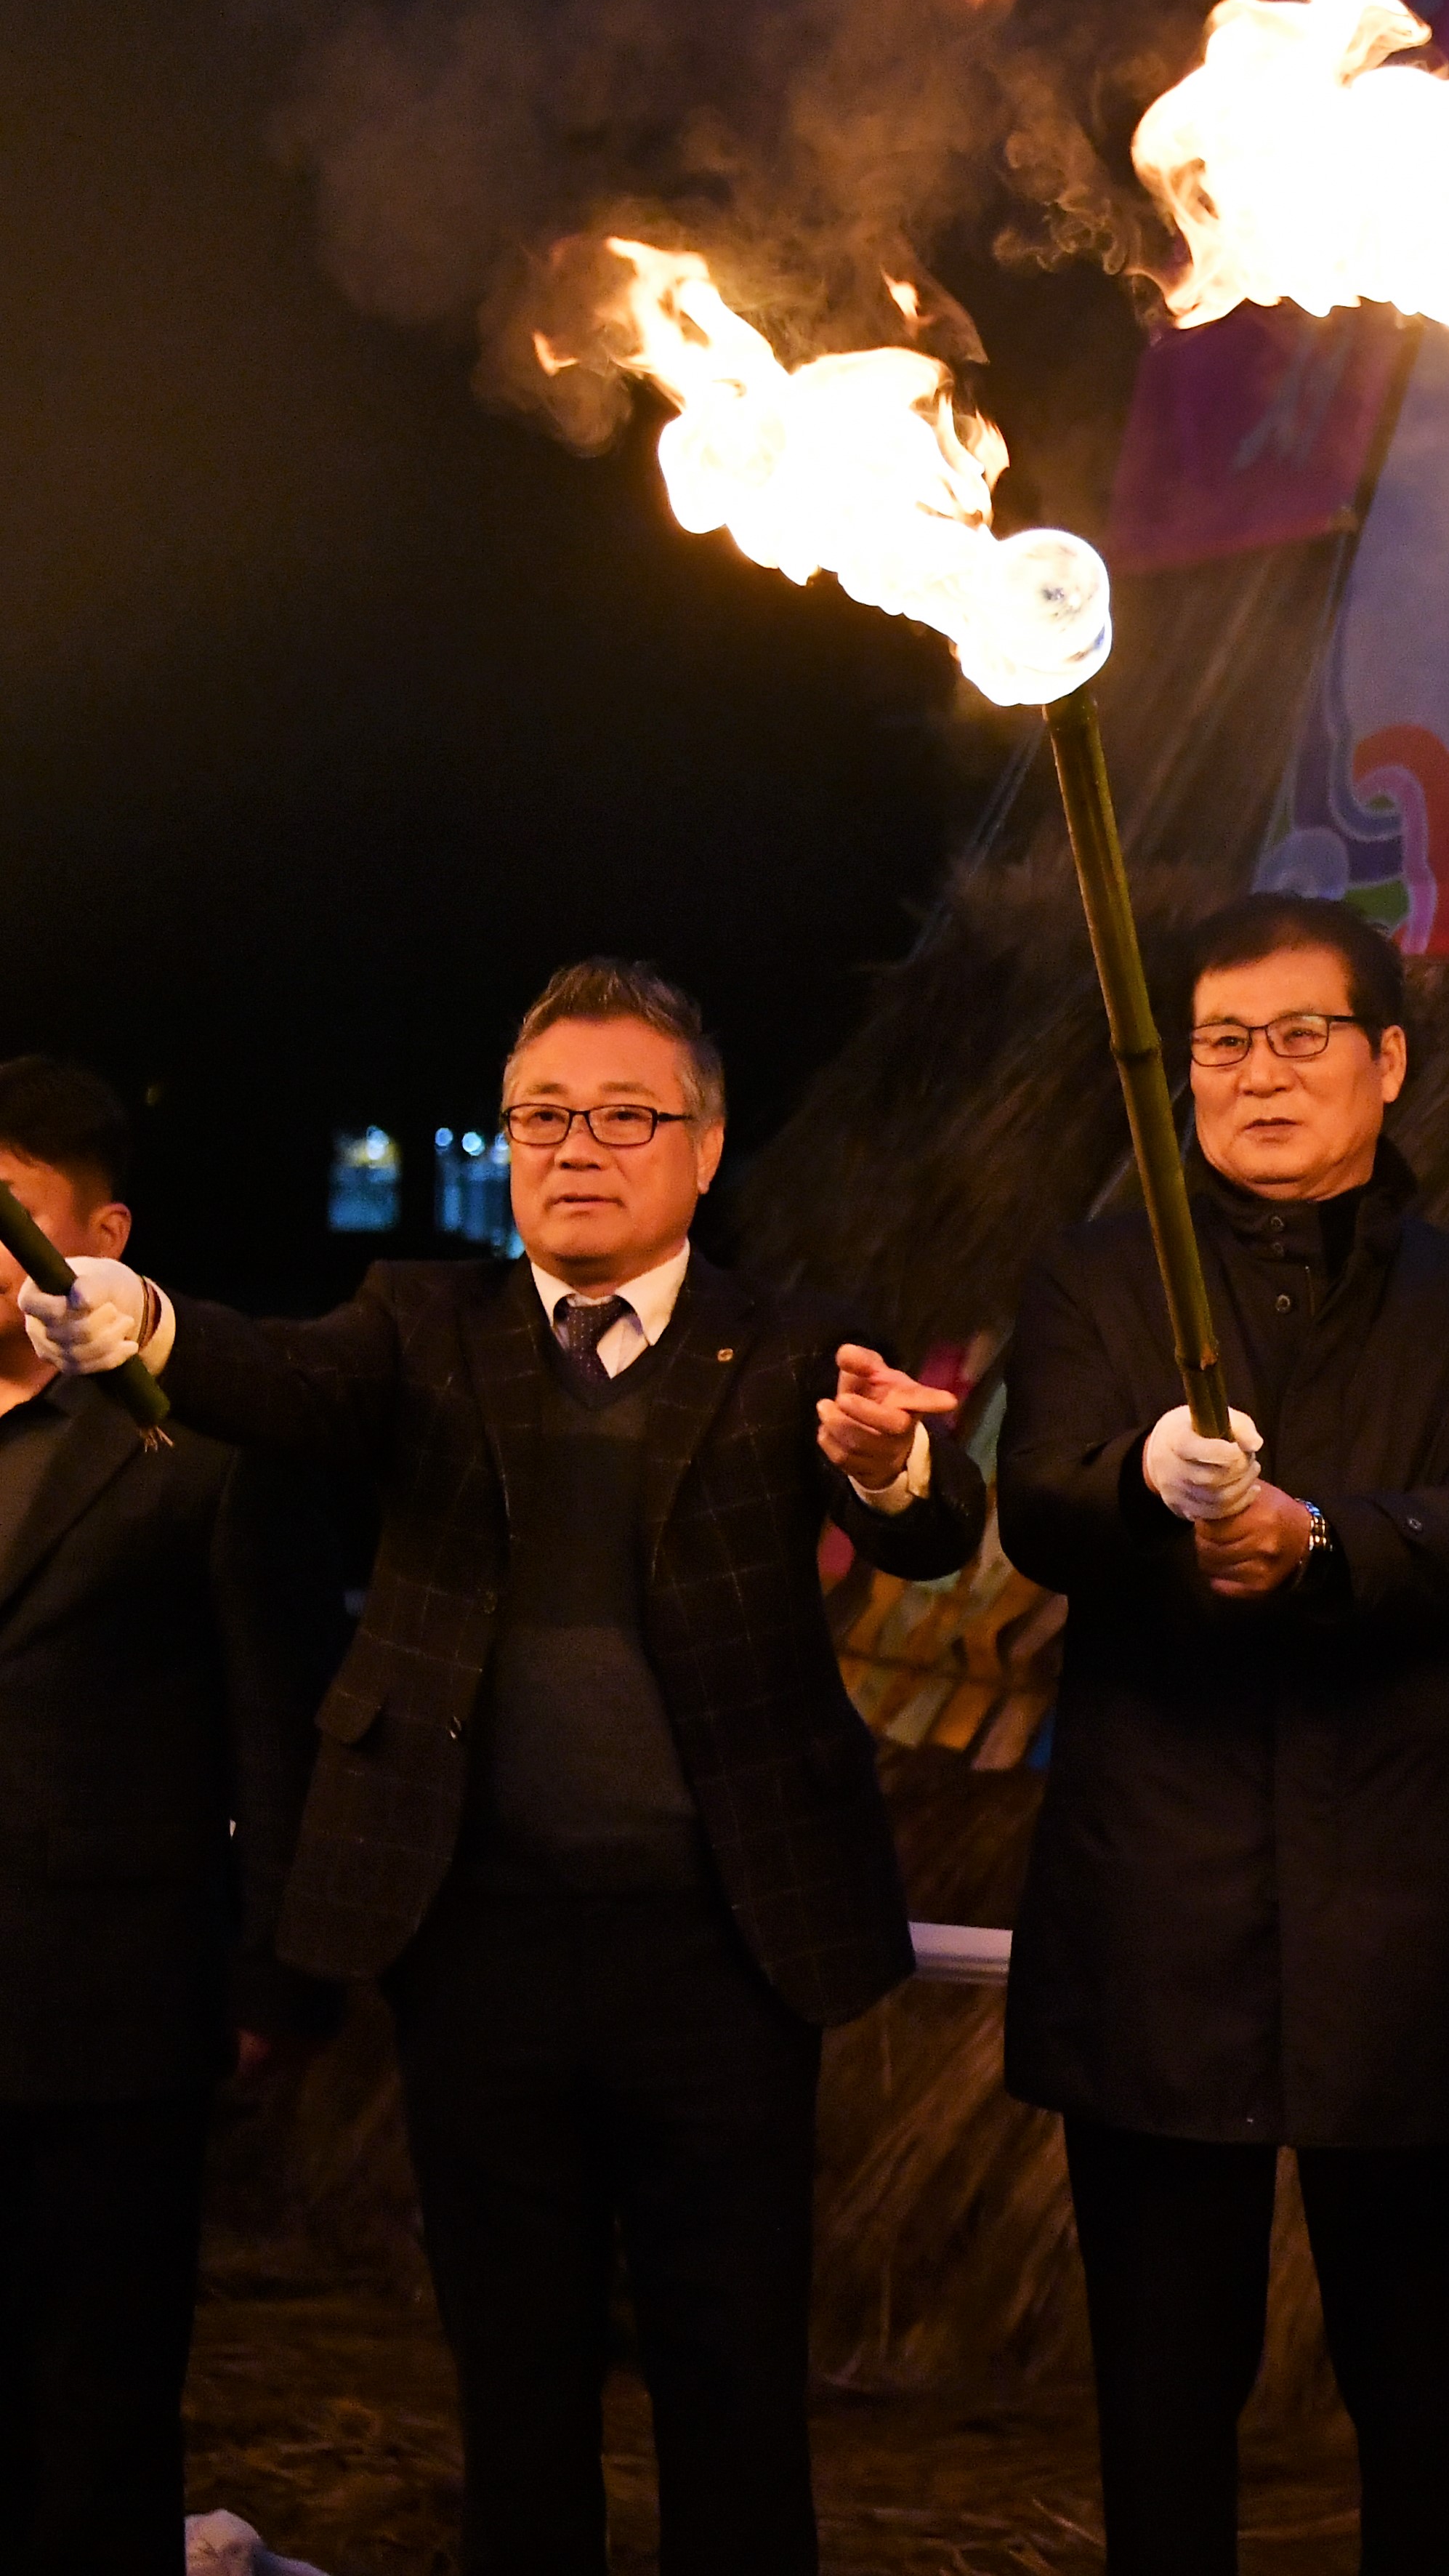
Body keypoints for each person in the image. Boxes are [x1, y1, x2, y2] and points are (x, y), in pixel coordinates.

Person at [17, 962, 985, 2576]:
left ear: (706, 1141)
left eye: (624, 1115)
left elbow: (935, 1523)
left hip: (727, 1951)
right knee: (513, 2386)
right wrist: (161, 1324)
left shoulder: (787, 1334)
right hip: (476, 1946)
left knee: (733, 2380)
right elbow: (279, 1377)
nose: (578, 1147)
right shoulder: (419, 1321)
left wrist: (898, 1465)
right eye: (544, 1115)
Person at [995, 892, 1449, 2576]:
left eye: (1301, 1034)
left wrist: (1318, 1539)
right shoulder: (1098, 1272)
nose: (1261, 1074)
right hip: (1154, 1905)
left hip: (1398, 1907)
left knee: (1419, 2388)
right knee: (1162, 2390)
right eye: (1223, 1044)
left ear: (1386, 1061)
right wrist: (1140, 1484)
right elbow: (1038, 1498)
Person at [0, 1059, 343, 2576]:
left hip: (109, 1997)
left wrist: (271, 1969)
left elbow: (274, 1720)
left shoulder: (188, 1443)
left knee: (102, 2393)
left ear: (101, 1232)